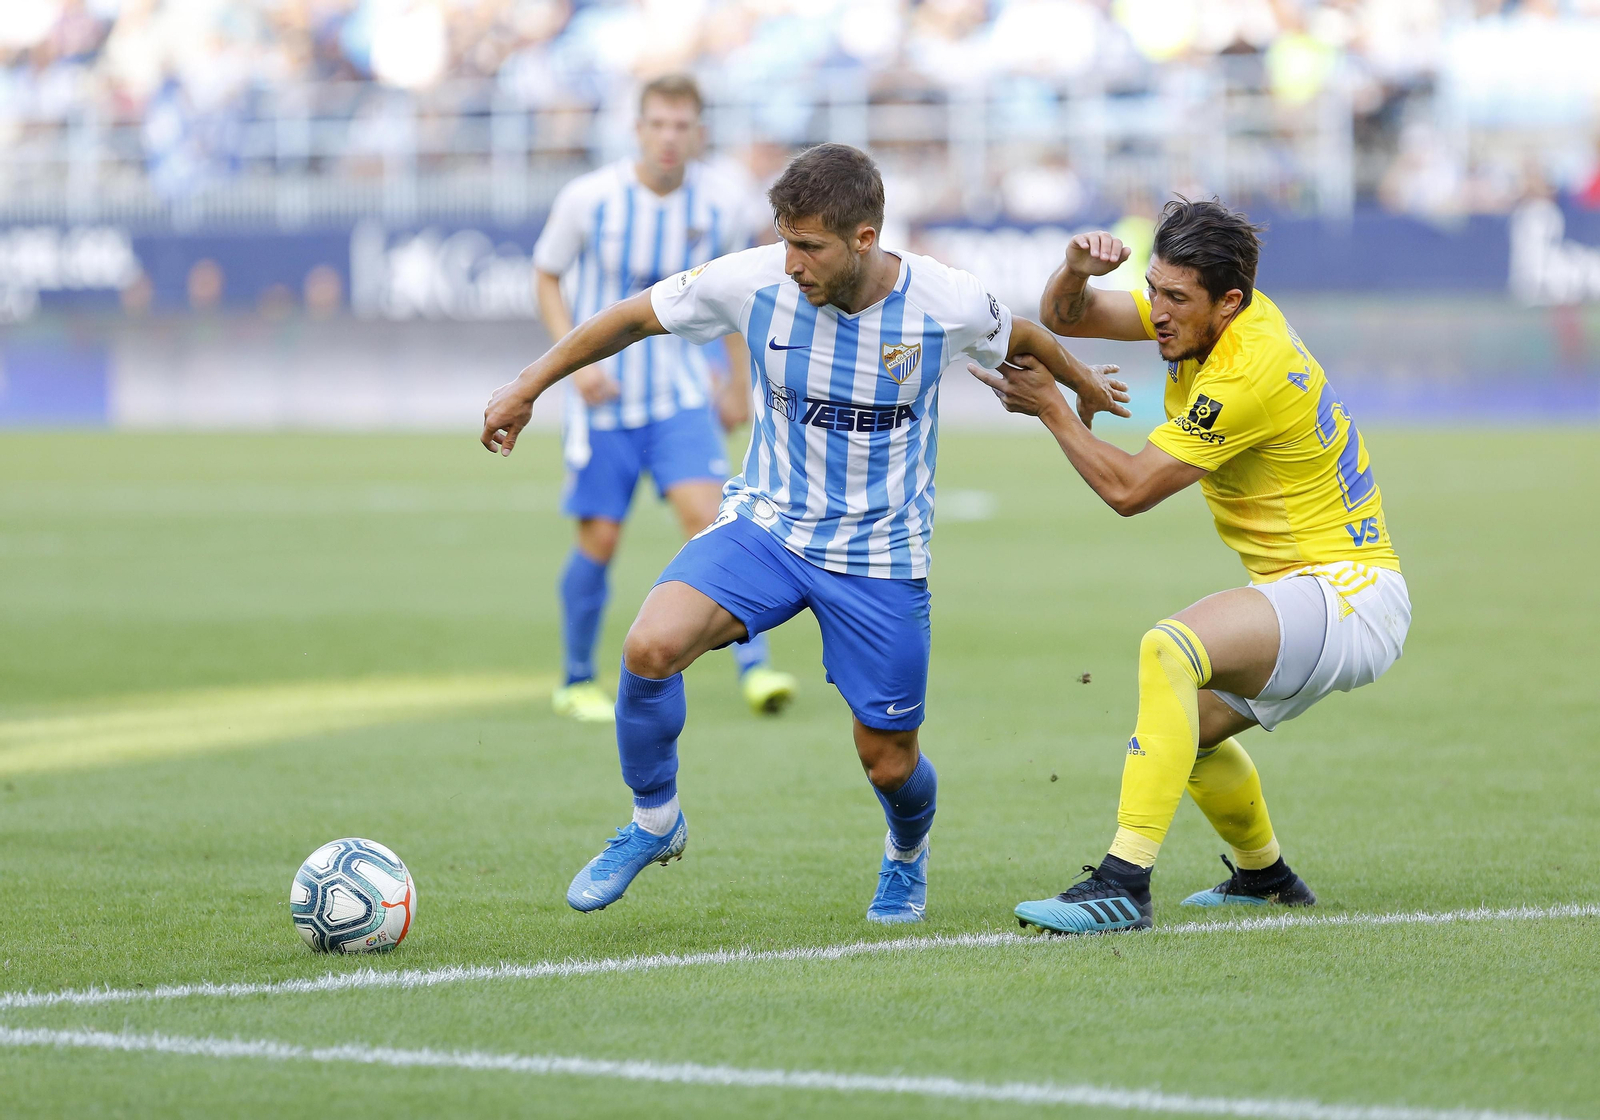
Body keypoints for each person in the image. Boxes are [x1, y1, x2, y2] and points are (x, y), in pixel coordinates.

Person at [485, 143, 1130, 923]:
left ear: (865, 239)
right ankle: (655, 821)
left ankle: (905, 854)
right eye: (784, 240)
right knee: (650, 648)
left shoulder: (945, 301)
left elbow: (1022, 336)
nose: (790, 262)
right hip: (768, 527)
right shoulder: (753, 279)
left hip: (880, 555)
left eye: (808, 246)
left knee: (889, 762)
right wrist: (525, 386)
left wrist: (1082, 379)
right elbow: (629, 318)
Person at [971, 200, 1411, 934]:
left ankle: (1123, 886)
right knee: (1184, 732)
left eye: (1175, 299)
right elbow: (1070, 317)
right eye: (1154, 292)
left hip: (1349, 592)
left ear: (1227, 303)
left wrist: (1051, 404)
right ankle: (1267, 879)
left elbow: (1131, 490)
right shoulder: (1209, 312)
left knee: (1168, 649)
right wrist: (1074, 271)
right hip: (1314, 588)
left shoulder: (1248, 369)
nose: (1158, 313)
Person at [532, 73, 798, 723]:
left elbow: (738, 295)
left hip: (681, 392)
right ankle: (574, 679)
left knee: (713, 521)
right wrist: (574, 362)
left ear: (698, 131)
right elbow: (546, 275)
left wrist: (737, 380)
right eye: (658, 124)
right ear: (638, 129)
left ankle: (755, 669)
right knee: (599, 537)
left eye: (682, 125)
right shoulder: (589, 199)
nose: (669, 137)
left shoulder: (720, 203)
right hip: (604, 401)